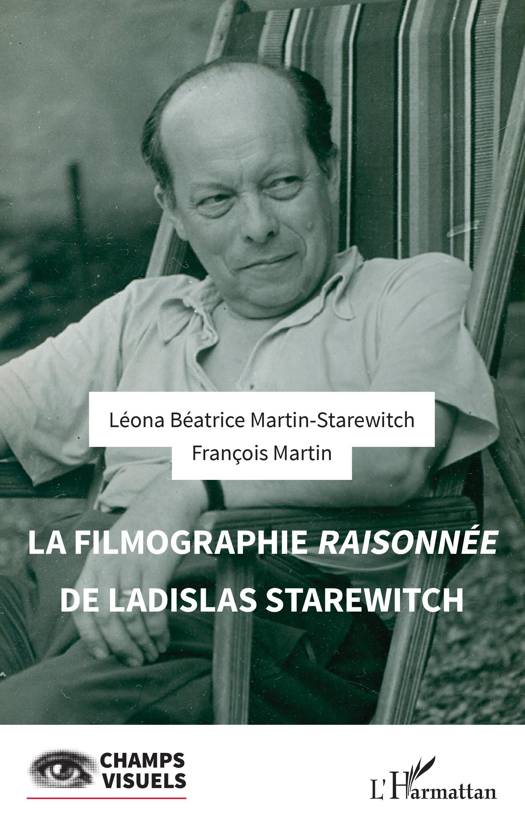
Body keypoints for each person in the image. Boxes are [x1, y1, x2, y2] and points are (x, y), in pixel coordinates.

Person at [0, 59, 498, 724]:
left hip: (252, 625)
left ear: (328, 170)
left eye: (282, 183)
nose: (257, 225)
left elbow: (396, 448)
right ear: (173, 211)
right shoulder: (144, 313)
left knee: (25, 738)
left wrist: (187, 486)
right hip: (70, 591)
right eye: (216, 200)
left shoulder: (408, 291)